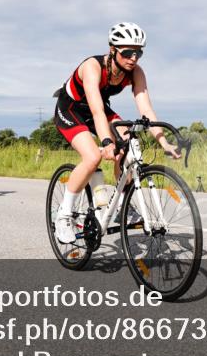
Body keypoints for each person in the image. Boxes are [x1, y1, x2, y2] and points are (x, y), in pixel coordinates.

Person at [52, 22, 180, 244]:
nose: (134, 58)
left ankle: (121, 204)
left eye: (138, 52)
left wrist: (164, 143)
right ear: (113, 49)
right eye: (128, 52)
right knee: (92, 157)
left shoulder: (135, 72)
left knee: (131, 144)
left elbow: (147, 110)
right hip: (72, 109)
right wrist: (107, 142)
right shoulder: (93, 66)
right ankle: (64, 215)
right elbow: (97, 111)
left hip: (99, 109)